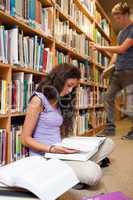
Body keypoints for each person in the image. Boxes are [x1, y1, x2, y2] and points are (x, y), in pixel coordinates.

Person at [21, 63, 114, 188]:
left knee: (108, 143)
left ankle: (70, 173)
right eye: (69, 85)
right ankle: (71, 172)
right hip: (46, 155)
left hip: (60, 150)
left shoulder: (61, 100)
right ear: (59, 80)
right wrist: (52, 149)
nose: (70, 90)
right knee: (94, 173)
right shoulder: (38, 100)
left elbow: (57, 133)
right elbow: (25, 138)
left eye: (73, 87)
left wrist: (71, 146)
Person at [90, 2, 133, 139]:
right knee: (108, 97)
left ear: (126, 14)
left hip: (129, 71)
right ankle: (110, 129)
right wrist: (109, 67)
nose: (117, 20)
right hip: (117, 71)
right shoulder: (120, 33)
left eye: (118, 17)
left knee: (130, 102)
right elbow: (116, 54)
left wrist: (100, 47)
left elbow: (121, 49)